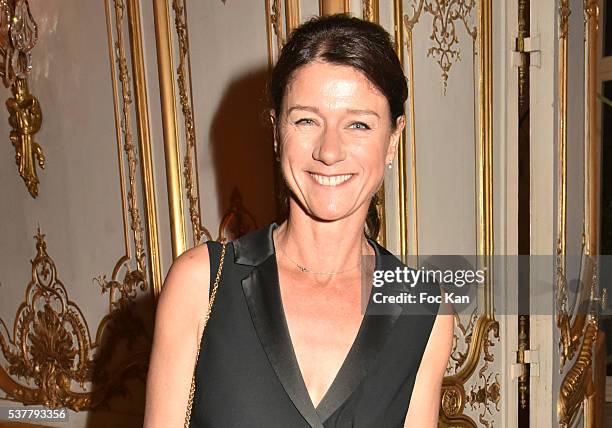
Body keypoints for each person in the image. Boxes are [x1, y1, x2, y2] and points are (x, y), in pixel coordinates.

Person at [144, 14, 454, 428]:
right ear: (276, 132)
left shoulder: (425, 311)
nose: (329, 150)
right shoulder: (201, 284)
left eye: (358, 124)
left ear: (393, 141)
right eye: (306, 120)